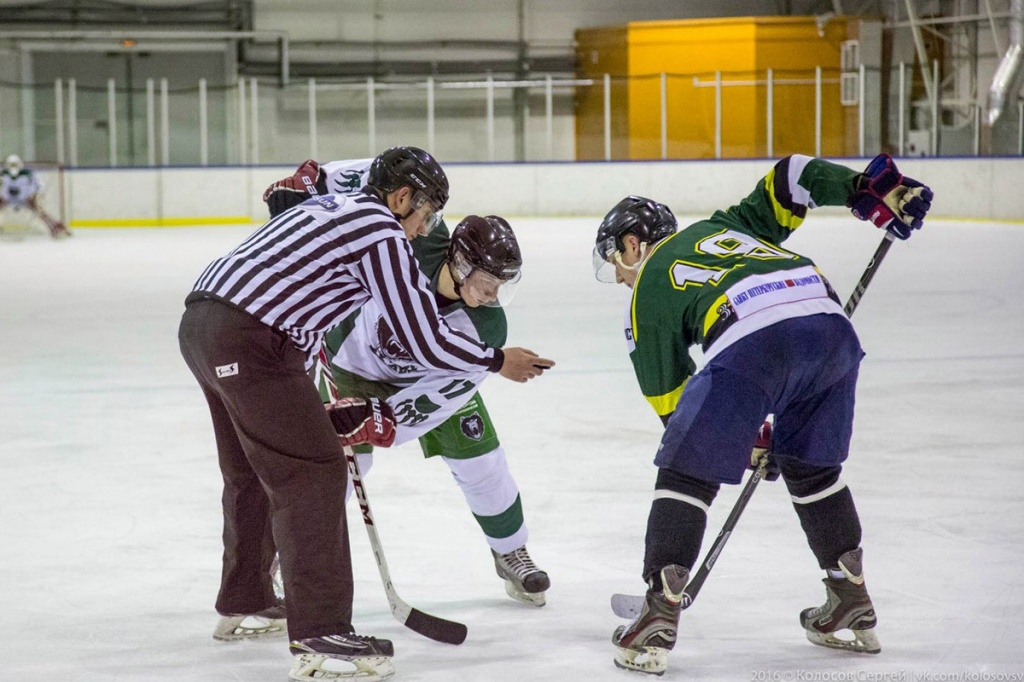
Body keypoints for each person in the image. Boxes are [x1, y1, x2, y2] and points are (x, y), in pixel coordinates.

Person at [178, 146, 554, 682]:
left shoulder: (339, 207)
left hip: (204, 321)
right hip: (256, 341)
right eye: (423, 215)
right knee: (315, 473)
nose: (425, 229)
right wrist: (498, 361)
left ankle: (245, 600)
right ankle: (320, 631)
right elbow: (422, 336)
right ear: (401, 198)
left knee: (250, 472)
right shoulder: (382, 230)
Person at [593, 153, 932, 675]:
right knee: (812, 468)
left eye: (616, 262)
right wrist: (863, 188)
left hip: (756, 338)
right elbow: (792, 175)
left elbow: (671, 400)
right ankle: (850, 596)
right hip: (830, 326)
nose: (619, 278)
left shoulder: (648, 285)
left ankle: (659, 610)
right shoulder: (725, 226)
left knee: (686, 467)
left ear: (633, 245)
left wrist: (736, 439)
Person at [263, 159, 550, 607]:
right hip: (351, 366)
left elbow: (435, 401)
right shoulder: (413, 234)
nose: (493, 296)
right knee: (331, 469)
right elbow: (383, 175)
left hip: (429, 380)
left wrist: (384, 419)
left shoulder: (487, 331)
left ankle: (510, 548)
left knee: (482, 461)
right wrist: (317, 178)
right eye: (488, 282)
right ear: (459, 260)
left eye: (502, 286)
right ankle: (286, 555)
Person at [0, 154, 71, 238]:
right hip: (6, 199)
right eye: (11, 165)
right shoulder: (2, 174)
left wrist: (34, 195)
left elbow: (38, 186)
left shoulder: (28, 174)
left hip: (25, 199)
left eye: (15, 164)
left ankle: (55, 227)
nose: (13, 167)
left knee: (41, 212)